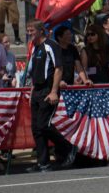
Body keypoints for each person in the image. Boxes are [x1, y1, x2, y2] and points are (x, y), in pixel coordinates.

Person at [24, 20, 75, 172]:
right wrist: (33, 88)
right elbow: (35, 71)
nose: (29, 33)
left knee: (43, 124)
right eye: (28, 30)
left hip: (48, 89)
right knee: (36, 128)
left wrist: (53, 91)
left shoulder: (51, 46)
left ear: (41, 30)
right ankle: (43, 162)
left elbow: (58, 68)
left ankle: (68, 148)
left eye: (32, 30)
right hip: (37, 90)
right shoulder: (34, 47)